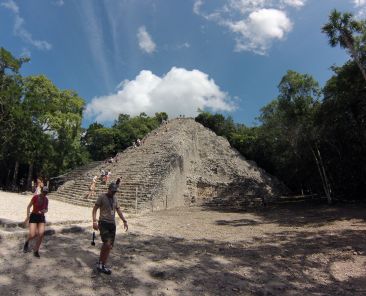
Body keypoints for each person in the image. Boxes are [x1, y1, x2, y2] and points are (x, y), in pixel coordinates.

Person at [92, 183, 128, 274]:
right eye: (112, 191)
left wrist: (124, 220)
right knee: (107, 244)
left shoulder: (115, 198)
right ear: (109, 189)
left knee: (109, 246)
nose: (113, 193)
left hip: (112, 224)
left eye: (115, 191)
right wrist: (94, 221)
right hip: (103, 223)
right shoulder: (102, 197)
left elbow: (118, 210)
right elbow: (95, 209)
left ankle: (102, 264)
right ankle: (101, 264)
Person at [23, 186, 49, 258]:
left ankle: (36, 250)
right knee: (32, 234)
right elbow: (28, 207)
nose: (45, 194)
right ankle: (26, 242)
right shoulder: (35, 197)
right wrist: (28, 216)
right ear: (41, 191)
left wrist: (45, 211)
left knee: (41, 234)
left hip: (41, 217)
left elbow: (46, 209)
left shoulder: (46, 199)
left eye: (46, 192)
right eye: (44, 192)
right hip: (34, 216)